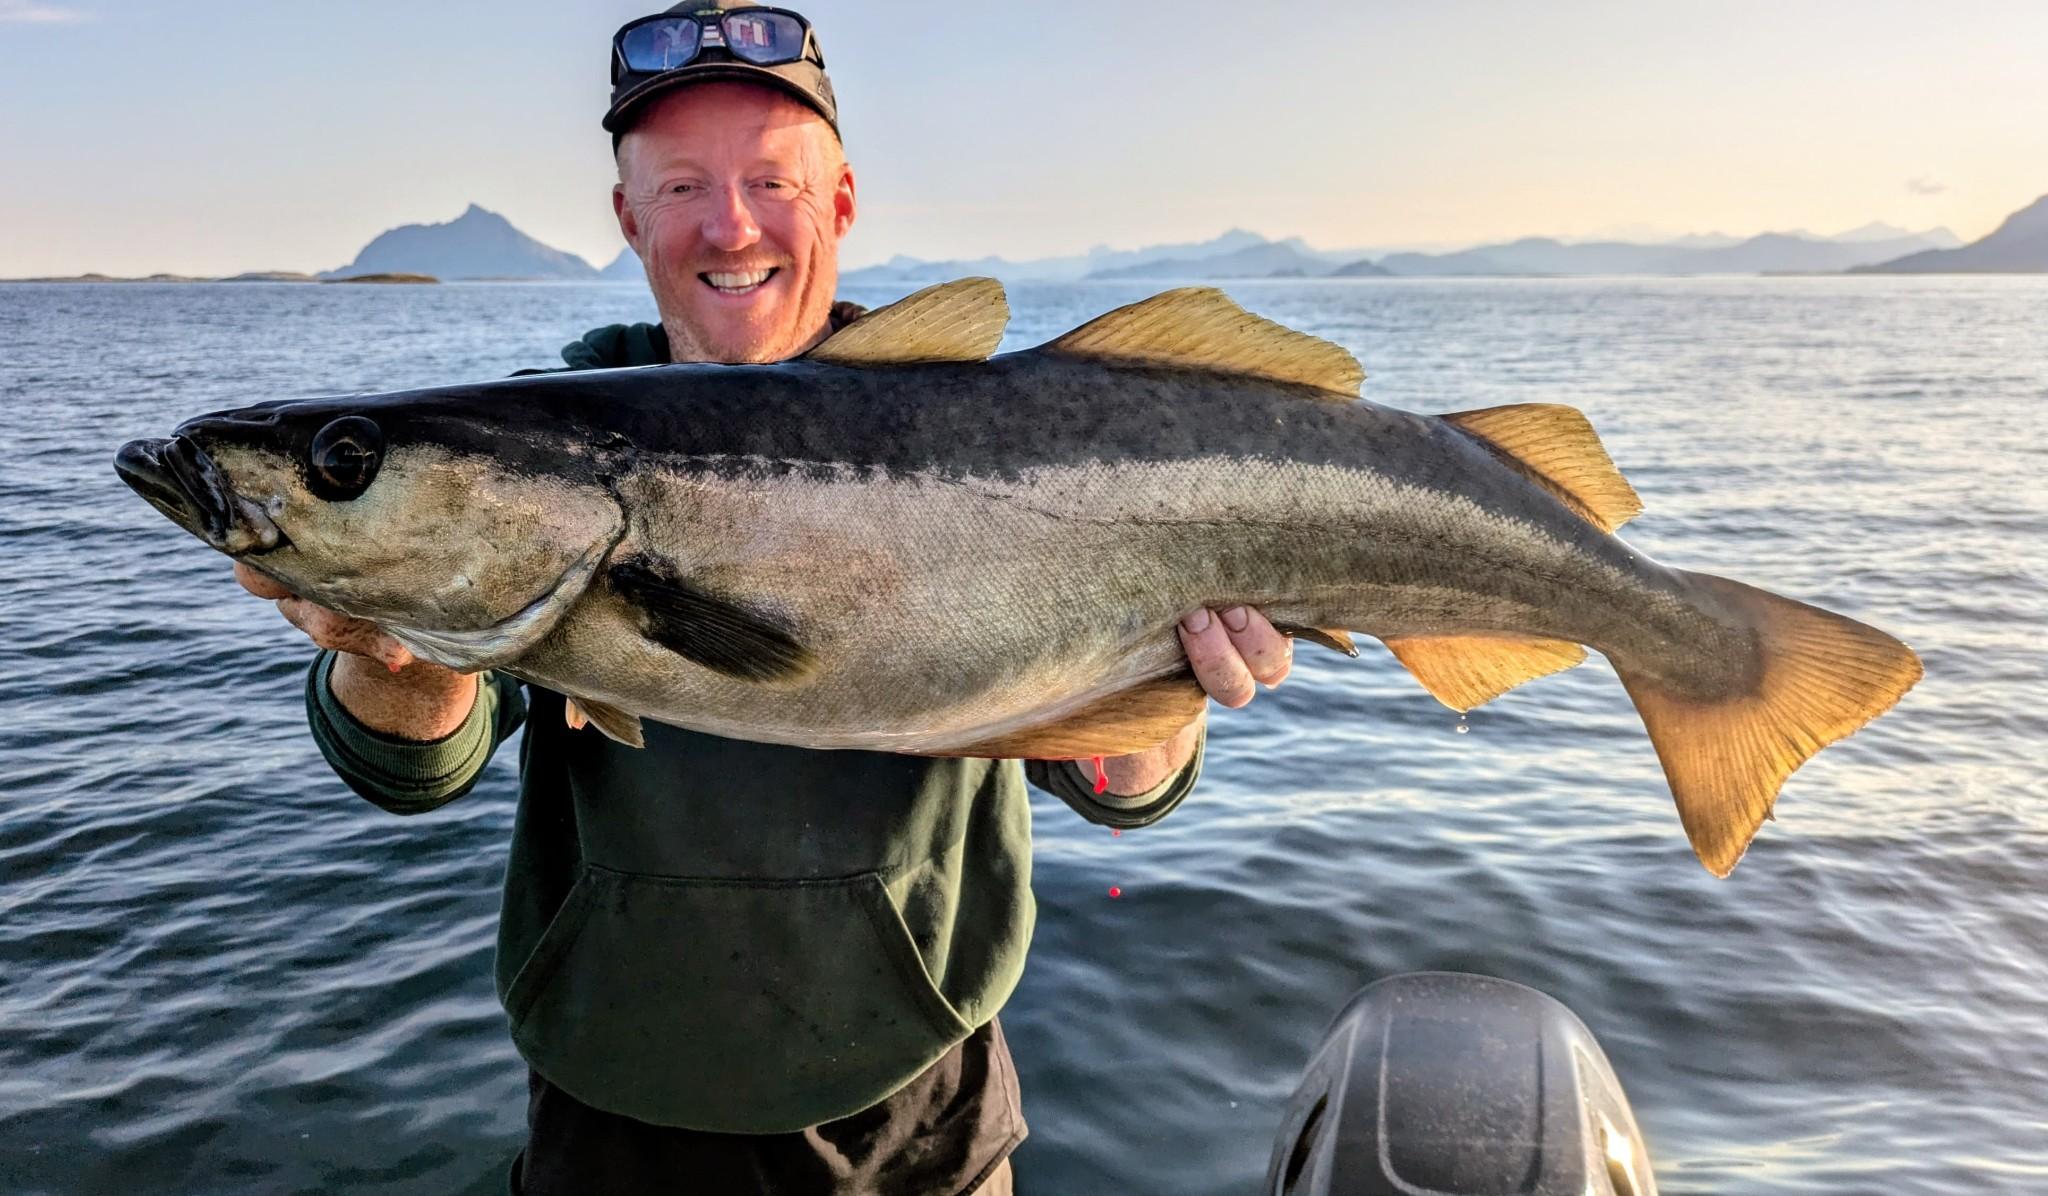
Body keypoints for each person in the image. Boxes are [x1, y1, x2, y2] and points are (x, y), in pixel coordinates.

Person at [233, 5, 1295, 1193]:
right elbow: (414, 768)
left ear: (840, 201)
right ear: (628, 218)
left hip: (927, 1119)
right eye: (682, 185)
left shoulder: (982, 419)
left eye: (769, 182)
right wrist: (394, 638)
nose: (729, 225)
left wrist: (1173, 680)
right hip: (611, 1116)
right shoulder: (538, 434)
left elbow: (1115, 789)